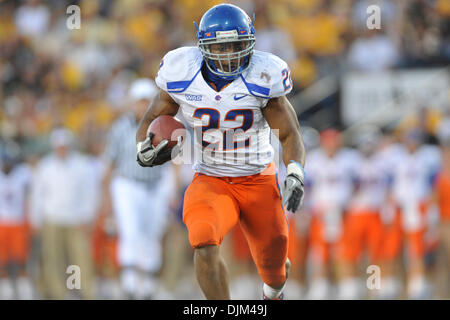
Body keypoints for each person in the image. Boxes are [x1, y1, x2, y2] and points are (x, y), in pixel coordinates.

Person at [135, 4, 306, 300]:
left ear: (249, 43)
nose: (229, 54)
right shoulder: (181, 72)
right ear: (202, 46)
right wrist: (143, 149)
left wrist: (295, 172)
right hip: (210, 177)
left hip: (258, 180)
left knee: (275, 273)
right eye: (220, 46)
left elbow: (290, 133)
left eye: (236, 45)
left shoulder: (264, 76)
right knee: (203, 240)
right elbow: (151, 118)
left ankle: (272, 293)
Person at [101, 78, 172, 299]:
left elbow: (176, 160)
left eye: (146, 102)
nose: (142, 106)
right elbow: (110, 162)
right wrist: (105, 199)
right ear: (132, 103)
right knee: (130, 231)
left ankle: (148, 281)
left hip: (155, 184)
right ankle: (130, 281)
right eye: (139, 102)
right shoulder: (120, 127)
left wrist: (173, 188)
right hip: (127, 184)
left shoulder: (164, 126)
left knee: (152, 232)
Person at [30, 128, 97, 299]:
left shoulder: (81, 164)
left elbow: (89, 192)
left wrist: (88, 215)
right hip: (52, 218)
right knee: (53, 259)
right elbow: (37, 194)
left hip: (75, 218)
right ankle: (58, 293)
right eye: (59, 146)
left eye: (64, 146)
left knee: (81, 258)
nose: (62, 149)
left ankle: (86, 291)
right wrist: (35, 219)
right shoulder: (45, 166)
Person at [0, 141, 33, 299]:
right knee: (2, 259)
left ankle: (23, 285)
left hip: (19, 221)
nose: (6, 165)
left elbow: (30, 195)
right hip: (2, 222)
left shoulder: (23, 173)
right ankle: (5, 287)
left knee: (21, 258)